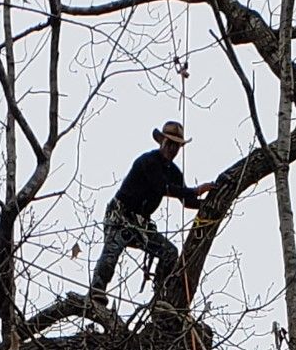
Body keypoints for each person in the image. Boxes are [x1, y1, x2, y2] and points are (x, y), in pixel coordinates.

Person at [89, 119, 213, 306]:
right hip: (120, 216)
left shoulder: (173, 172)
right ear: (161, 141)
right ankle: (97, 289)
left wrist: (208, 203)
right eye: (169, 144)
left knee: (169, 252)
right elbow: (162, 187)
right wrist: (196, 190)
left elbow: (186, 200)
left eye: (176, 146)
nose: (172, 149)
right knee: (111, 252)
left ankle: (160, 296)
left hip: (141, 224)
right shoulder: (148, 161)